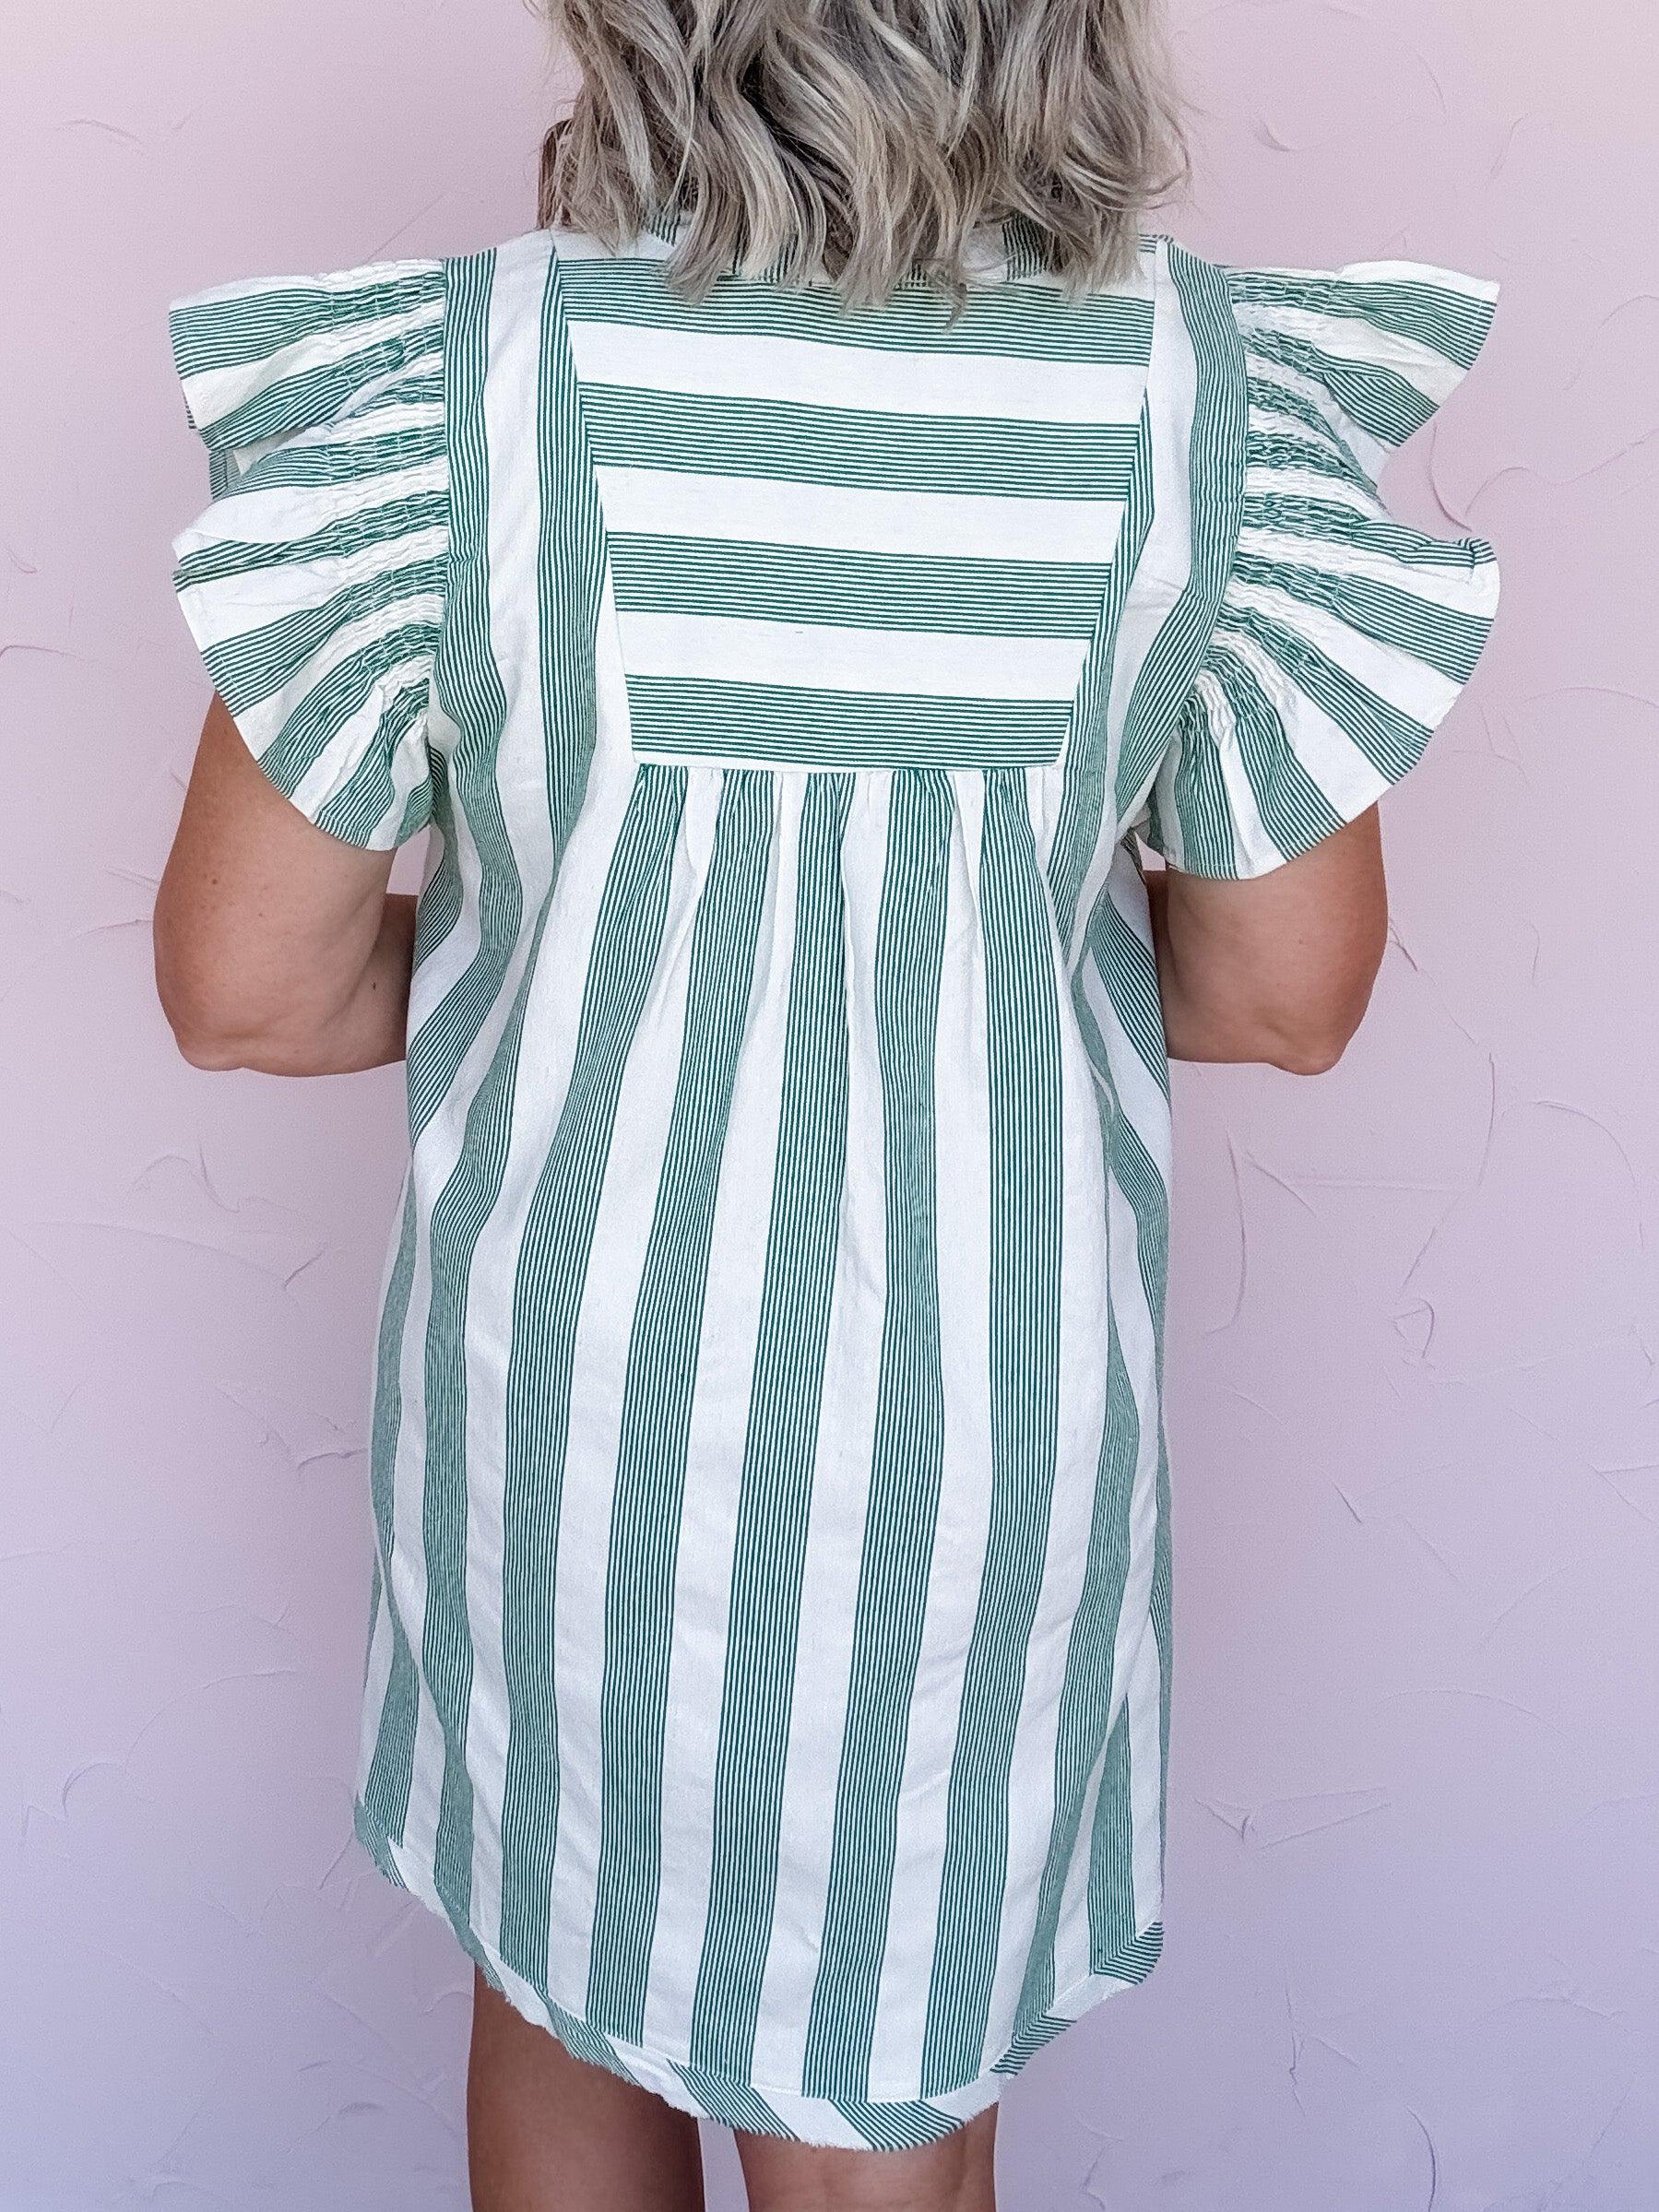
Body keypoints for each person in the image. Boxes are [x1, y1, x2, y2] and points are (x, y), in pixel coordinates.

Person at [151, 0, 1501, 2197]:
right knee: (883, 2084)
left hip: (564, 1426)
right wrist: (993, 949)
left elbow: (252, 993)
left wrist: (554, 949)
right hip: (966, 1456)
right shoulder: (1207, 412)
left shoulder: (454, 399)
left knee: (559, 1987)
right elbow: (1285, 994)